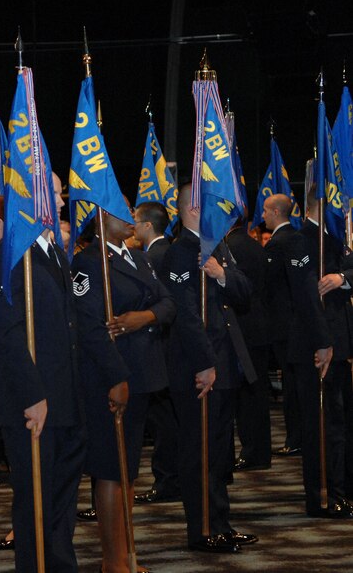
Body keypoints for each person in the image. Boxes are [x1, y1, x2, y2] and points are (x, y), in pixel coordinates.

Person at [0, 173, 113, 571]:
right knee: (34, 503)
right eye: (57, 195)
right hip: (32, 404)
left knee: (61, 502)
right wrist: (32, 396)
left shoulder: (54, 252)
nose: (63, 202)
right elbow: (6, 336)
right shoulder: (0, 260)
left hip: (66, 401)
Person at [72, 207, 175, 573]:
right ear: (101, 221)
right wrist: (116, 377)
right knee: (111, 469)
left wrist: (141, 318)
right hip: (109, 376)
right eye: (120, 211)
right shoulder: (87, 263)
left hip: (144, 373)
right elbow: (91, 326)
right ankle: (112, 559)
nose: (130, 217)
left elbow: (167, 303)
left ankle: (128, 553)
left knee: (128, 470)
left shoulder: (137, 257)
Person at [161, 182, 257, 553]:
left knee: (219, 452)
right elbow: (185, 315)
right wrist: (204, 363)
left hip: (227, 362)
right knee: (198, 450)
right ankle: (201, 529)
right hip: (198, 367)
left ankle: (220, 522)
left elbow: (245, 291)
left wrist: (221, 274)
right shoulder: (179, 253)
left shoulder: (215, 247)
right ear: (193, 209)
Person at [295, 190, 350, 517]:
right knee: (321, 427)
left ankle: (342, 489)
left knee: (339, 423)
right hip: (316, 347)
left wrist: (343, 277)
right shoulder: (303, 241)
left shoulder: (333, 239)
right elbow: (307, 299)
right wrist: (323, 342)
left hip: (341, 345)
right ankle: (322, 497)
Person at [132, 201, 181, 505]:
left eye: (135, 220)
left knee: (163, 421)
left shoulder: (154, 256)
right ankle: (169, 478)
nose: (132, 226)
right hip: (164, 345)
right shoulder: (164, 251)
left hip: (160, 345)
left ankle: (167, 480)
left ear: (148, 225)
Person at [225, 220, 272, 471]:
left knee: (246, 396)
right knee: (257, 394)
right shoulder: (255, 246)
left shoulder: (230, 247)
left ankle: (252, 451)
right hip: (260, 326)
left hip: (241, 328)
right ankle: (260, 451)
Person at [261, 194, 304, 456]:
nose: (262, 215)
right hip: (294, 323)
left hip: (282, 326)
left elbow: (268, 287)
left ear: (276, 211)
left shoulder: (278, 244)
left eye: (265, 210)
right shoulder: (297, 238)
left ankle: (294, 438)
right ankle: (298, 436)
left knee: (291, 385)